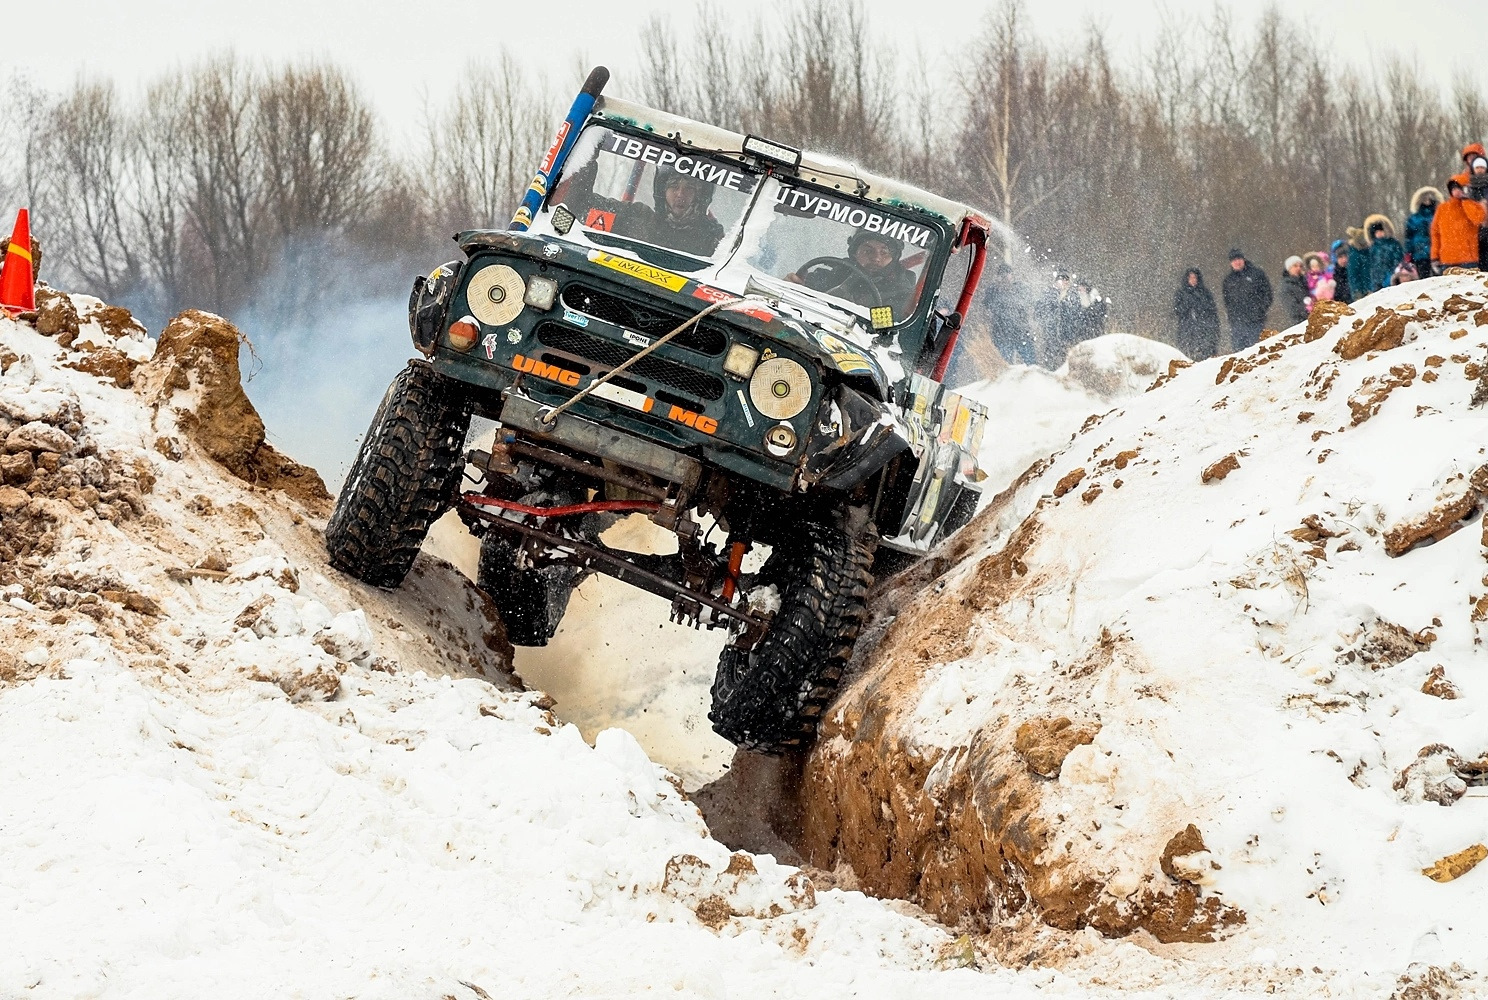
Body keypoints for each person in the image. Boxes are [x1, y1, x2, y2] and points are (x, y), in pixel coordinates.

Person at [788, 230, 918, 318]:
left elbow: (893, 340)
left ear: (894, 258)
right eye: (868, 251)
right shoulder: (828, 277)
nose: (876, 258)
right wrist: (791, 287)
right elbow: (791, 305)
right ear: (855, 253)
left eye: (884, 252)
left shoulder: (906, 299)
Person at [634, 169, 725, 257]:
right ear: (663, 192)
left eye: (689, 188)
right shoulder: (638, 218)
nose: (680, 194)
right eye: (674, 186)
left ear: (698, 196)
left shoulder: (713, 238)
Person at [983, 263, 1036, 365]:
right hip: (1002, 335)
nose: (1005, 277)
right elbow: (986, 310)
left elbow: (1030, 305)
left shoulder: (1021, 288)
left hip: (1021, 333)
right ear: (998, 277)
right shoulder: (993, 291)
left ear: (1012, 275)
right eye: (1002, 274)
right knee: (1005, 367)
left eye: (1007, 274)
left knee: (1031, 365)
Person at [1429, 179, 1485, 273]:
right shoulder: (1442, 208)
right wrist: (1434, 256)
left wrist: (1466, 201)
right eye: (1453, 189)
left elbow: (1477, 219)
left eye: (1459, 188)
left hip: (1468, 259)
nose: (1456, 191)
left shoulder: (1474, 205)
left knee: (1469, 287)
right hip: (1447, 260)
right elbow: (1435, 233)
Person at [1221, 250, 1272, 351]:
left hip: (1255, 321)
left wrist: (1260, 310)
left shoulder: (1257, 274)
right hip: (1237, 323)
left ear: (1243, 259)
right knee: (1239, 353)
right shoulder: (1228, 280)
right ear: (1231, 263)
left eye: (1239, 259)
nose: (1237, 262)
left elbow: (1267, 294)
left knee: (1257, 350)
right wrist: (1232, 316)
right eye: (1234, 260)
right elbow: (1227, 301)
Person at [1034, 268, 1083, 368]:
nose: (1064, 282)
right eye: (1062, 279)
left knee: (1067, 363)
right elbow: (1040, 311)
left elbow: (1076, 314)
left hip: (1068, 336)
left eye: (1066, 280)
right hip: (1051, 336)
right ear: (1056, 282)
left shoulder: (1073, 296)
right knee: (1051, 362)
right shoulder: (1048, 294)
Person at [1173, 268, 1220, 360]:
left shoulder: (1205, 293)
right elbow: (1177, 310)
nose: (1193, 280)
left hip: (1204, 329)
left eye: (1195, 277)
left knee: (1205, 356)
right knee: (1188, 356)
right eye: (1190, 278)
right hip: (1187, 330)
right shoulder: (1181, 293)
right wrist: (1187, 303)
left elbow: (1212, 312)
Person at [1404, 187, 1441, 270]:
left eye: (1429, 197)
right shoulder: (1413, 218)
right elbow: (1408, 238)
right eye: (1424, 198)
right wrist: (1408, 253)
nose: (1427, 200)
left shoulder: (1439, 215)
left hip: (1437, 254)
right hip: (1419, 254)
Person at [1365, 215, 1404, 294]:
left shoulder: (1393, 243)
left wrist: (1394, 268)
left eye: (1381, 231)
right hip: (1378, 276)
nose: (1379, 234)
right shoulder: (1373, 247)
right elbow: (1371, 264)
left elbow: (1398, 256)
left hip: (1391, 272)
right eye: (1377, 232)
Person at [1279, 255, 1310, 325]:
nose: (1298, 268)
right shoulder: (1286, 285)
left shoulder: (1305, 281)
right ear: (1289, 268)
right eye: (1295, 266)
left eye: (1300, 266)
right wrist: (1306, 312)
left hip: (1309, 318)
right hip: (1297, 321)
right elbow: (1291, 306)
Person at [1345, 227, 1371, 300]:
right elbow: (1353, 274)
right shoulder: (1354, 254)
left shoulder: (1367, 253)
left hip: (1368, 288)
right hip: (1362, 291)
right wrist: (1357, 291)